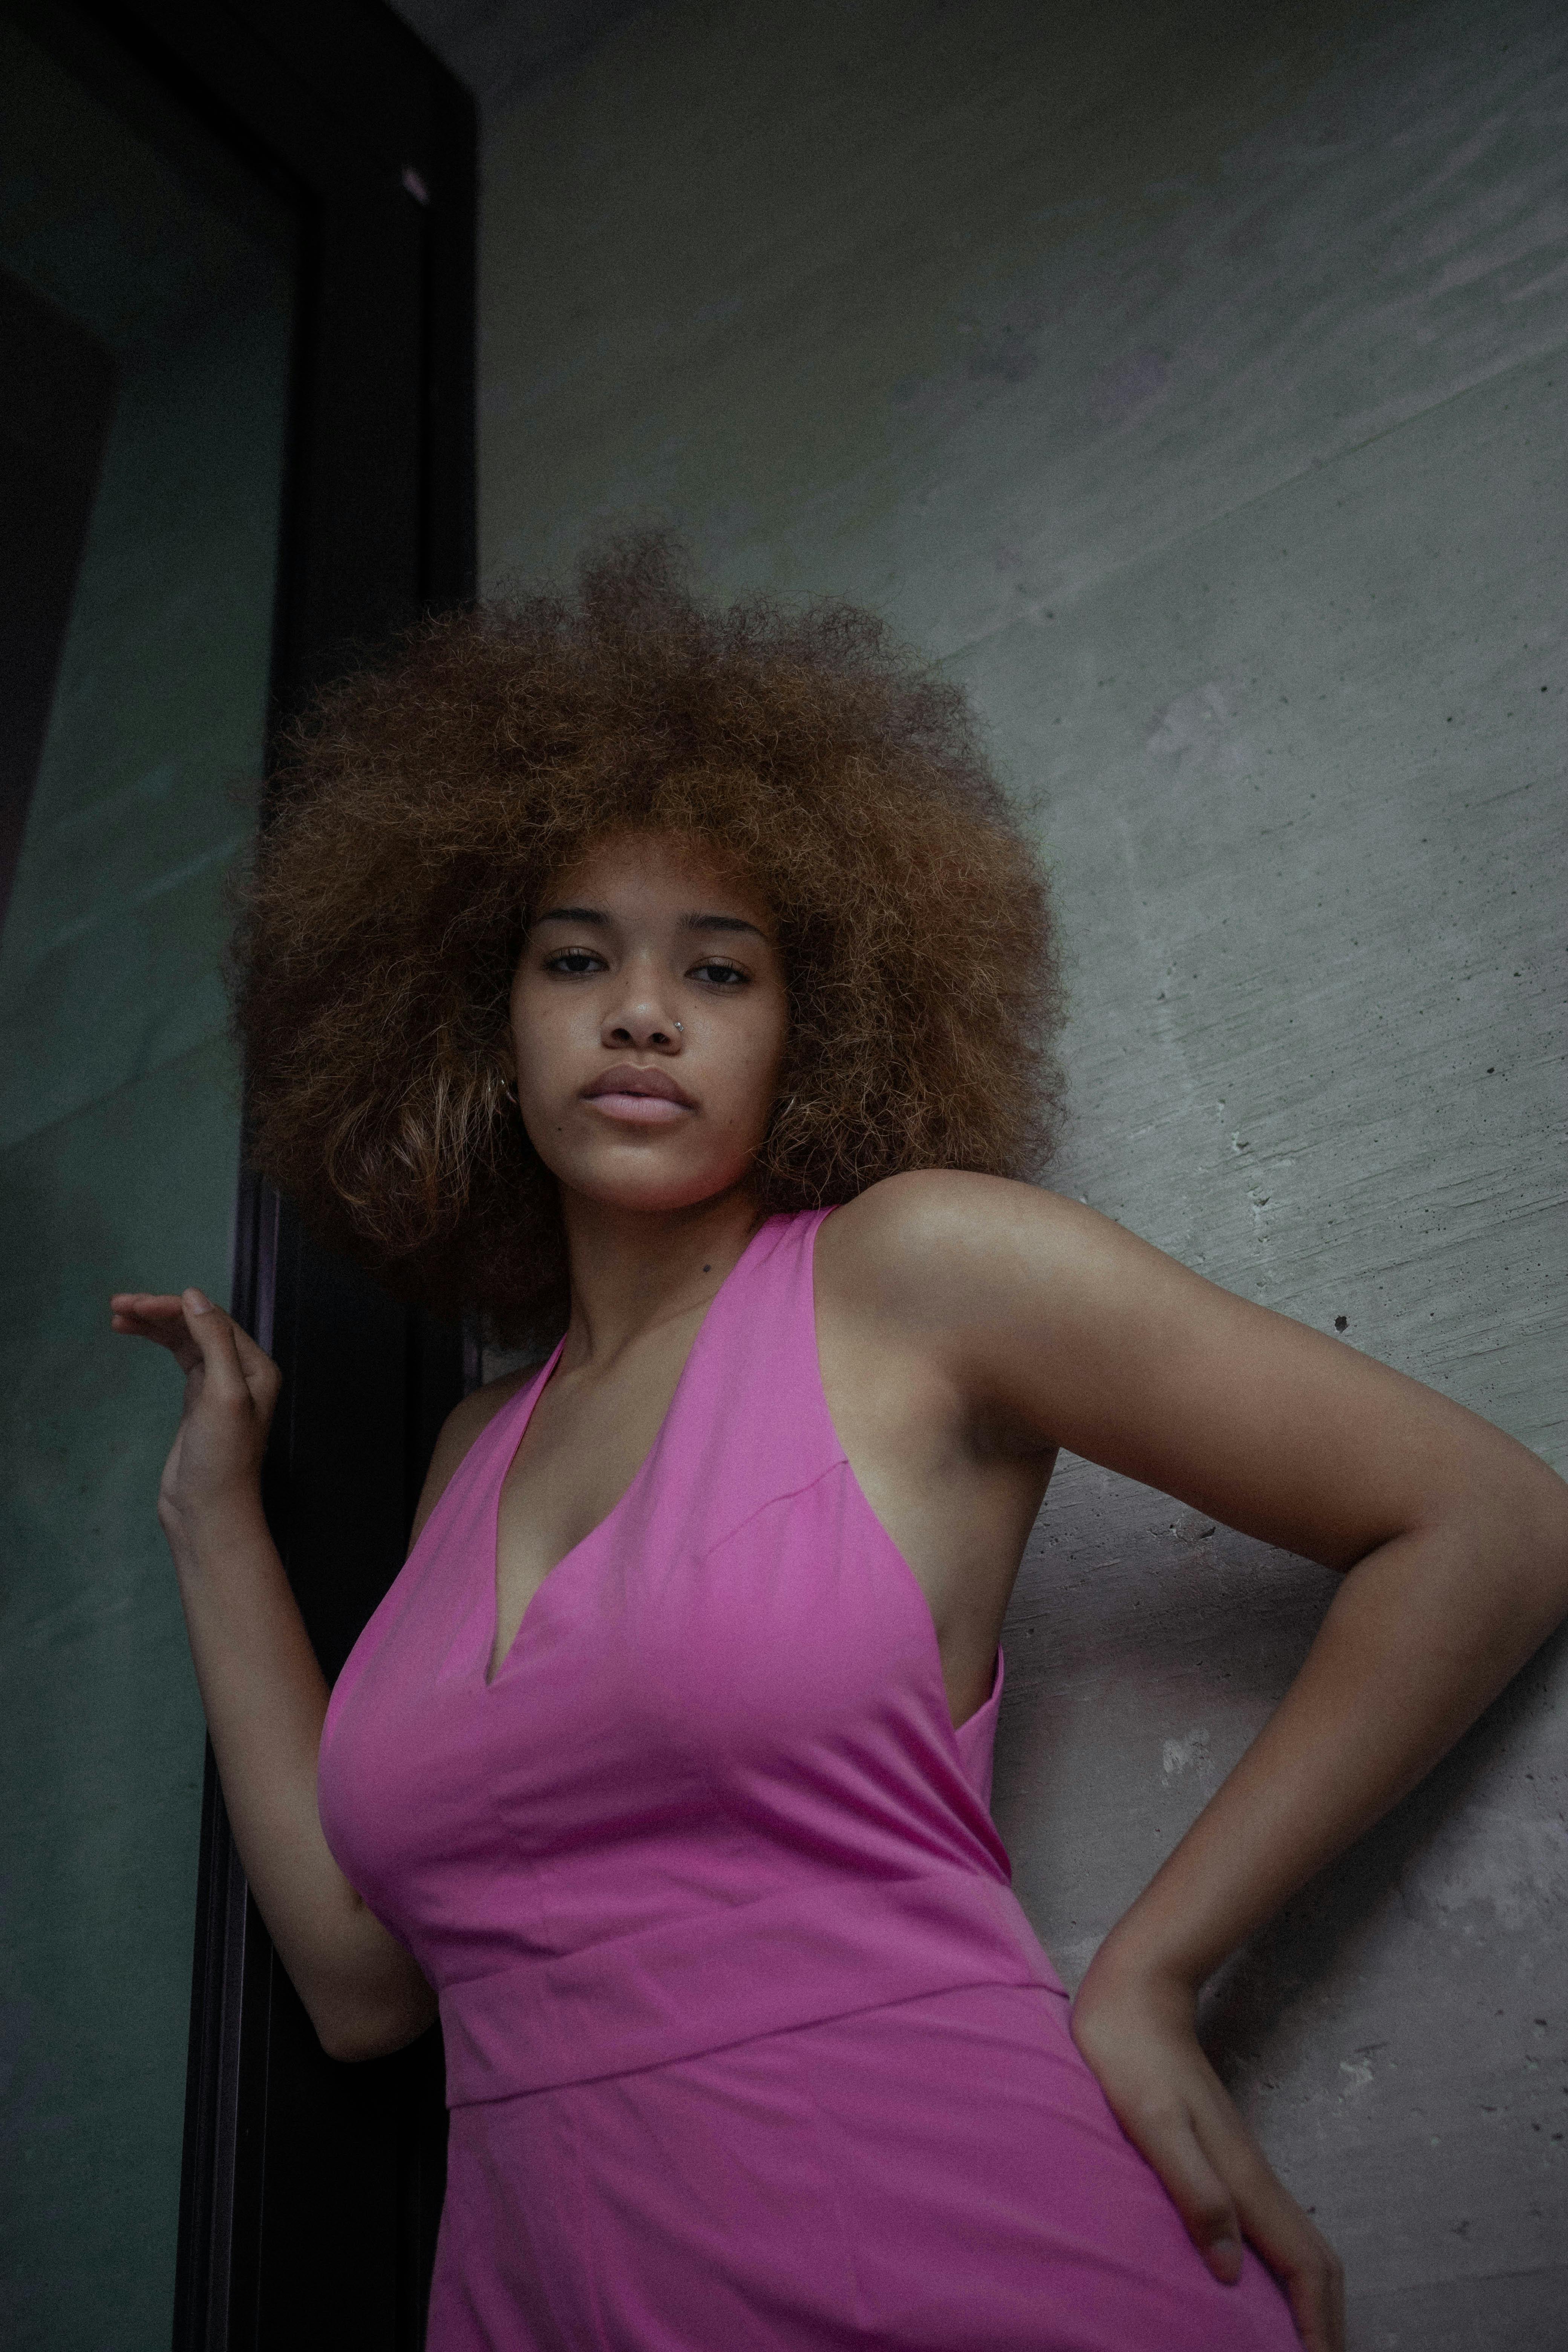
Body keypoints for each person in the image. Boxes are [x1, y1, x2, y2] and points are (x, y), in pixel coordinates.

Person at [113, 542, 1568, 2352]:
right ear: (482, 1017)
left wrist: (1157, 1972)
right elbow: (359, 1984)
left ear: (813, 1029)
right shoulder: (478, 1448)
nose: (640, 1010)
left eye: (718, 971)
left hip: (957, 2244)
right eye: (578, 958)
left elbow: (1485, 1523)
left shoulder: (918, 1275)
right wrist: (213, 1516)